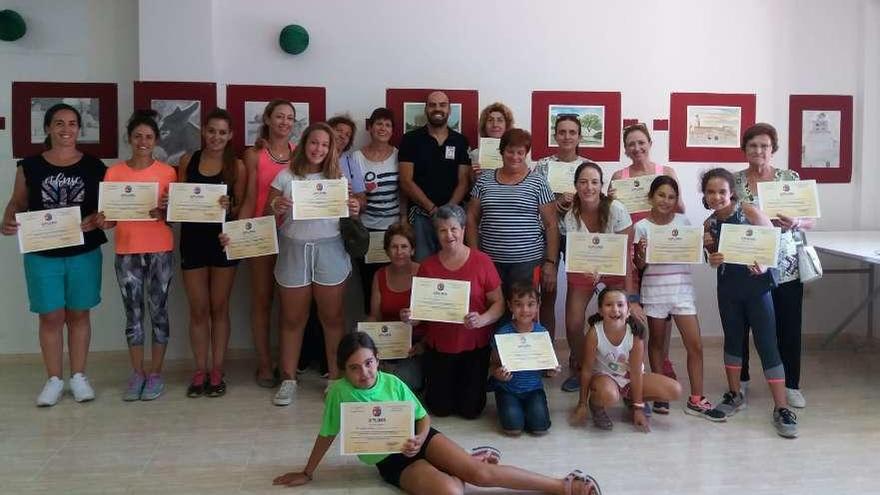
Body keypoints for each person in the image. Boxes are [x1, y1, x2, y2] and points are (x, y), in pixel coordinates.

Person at [272, 332, 601, 495]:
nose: (365, 373)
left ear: (377, 358)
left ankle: (562, 485)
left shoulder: (392, 381)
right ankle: (460, 463)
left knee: (480, 476)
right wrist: (308, 471)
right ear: (342, 371)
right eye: (354, 368)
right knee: (452, 492)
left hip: (423, 440)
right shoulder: (340, 393)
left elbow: (423, 417)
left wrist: (418, 437)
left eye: (369, 363)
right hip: (392, 462)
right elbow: (328, 433)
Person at [2, 103, 107, 406]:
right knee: (50, 316)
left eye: (72, 123)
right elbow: (17, 202)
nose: (66, 129)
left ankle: (78, 376)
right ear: (47, 128)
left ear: (79, 129)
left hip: (83, 251)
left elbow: (106, 210)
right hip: (42, 252)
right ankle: (53, 379)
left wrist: (99, 219)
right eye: (59, 123)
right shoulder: (30, 166)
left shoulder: (95, 166)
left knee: (78, 313)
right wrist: (8, 218)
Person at [266, 122, 360, 406]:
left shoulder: (338, 179)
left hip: (330, 249)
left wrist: (354, 209)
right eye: (313, 142)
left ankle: (334, 379)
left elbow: (349, 214)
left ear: (331, 149)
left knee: (332, 318)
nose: (318, 149)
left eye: (324, 144)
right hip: (294, 250)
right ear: (304, 144)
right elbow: (267, 212)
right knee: (292, 319)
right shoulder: (286, 176)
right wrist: (276, 207)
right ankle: (288, 379)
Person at [701, 167, 799, 438]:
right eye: (711, 192)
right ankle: (734, 395)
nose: (717, 196)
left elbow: (773, 243)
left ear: (731, 191)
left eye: (722, 191)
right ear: (705, 195)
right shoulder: (708, 224)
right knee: (733, 341)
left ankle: (781, 407)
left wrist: (765, 265)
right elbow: (711, 259)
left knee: (767, 344)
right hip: (729, 290)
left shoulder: (749, 211)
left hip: (757, 289)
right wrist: (711, 256)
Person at [97, 110, 177, 401]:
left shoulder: (168, 173)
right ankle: (137, 373)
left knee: (158, 312)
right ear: (129, 139)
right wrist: (103, 221)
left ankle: (155, 373)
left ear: (155, 140)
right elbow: (111, 219)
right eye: (137, 136)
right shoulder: (114, 173)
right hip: (127, 251)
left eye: (148, 137)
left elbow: (175, 217)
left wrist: (165, 211)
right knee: (133, 314)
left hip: (160, 250)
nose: (143, 141)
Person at [733, 123, 814, 409]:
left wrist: (796, 222)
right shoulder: (734, 181)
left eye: (764, 146)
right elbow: (725, 216)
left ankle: (791, 384)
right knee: (741, 326)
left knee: (788, 325)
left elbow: (811, 220)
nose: (758, 151)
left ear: (773, 149)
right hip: (748, 263)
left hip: (786, 264)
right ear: (745, 149)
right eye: (753, 145)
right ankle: (740, 384)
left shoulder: (789, 177)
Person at [632, 176, 723, 420]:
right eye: (661, 195)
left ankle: (696, 398)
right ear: (651, 197)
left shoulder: (685, 222)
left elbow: (700, 252)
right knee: (657, 345)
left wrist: (705, 243)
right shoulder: (641, 226)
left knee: (695, 345)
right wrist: (640, 254)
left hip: (682, 291)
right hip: (654, 292)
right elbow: (639, 266)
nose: (666, 200)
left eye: (671, 197)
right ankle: (660, 393)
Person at [402, 205, 504, 419]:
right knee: (440, 409)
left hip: (474, 346)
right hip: (440, 347)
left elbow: (499, 304)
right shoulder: (427, 267)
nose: (449, 235)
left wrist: (482, 319)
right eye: (442, 230)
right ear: (436, 234)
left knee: (471, 411)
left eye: (454, 229)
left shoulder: (482, 261)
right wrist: (411, 318)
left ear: (463, 230)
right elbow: (420, 314)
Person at [609, 123, 685, 402]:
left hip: (662, 252)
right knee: (631, 310)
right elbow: (611, 216)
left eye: (641, 142)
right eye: (631, 144)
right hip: (630, 250)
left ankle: (661, 364)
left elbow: (681, 209)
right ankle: (628, 368)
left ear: (650, 143)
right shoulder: (619, 176)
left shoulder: (666, 173)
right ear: (625, 148)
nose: (637, 148)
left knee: (660, 313)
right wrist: (612, 200)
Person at [178, 109, 247, 397]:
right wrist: (172, 201)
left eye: (222, 132)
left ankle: (217, 369)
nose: (216, 137)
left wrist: (229, 206)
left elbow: (240, 208)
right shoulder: (187, 160)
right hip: (192, 240)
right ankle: (199, 369)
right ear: (202, 131)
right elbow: (179, 201)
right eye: (211, 131)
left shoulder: (238, 167)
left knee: (219, 308)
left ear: (230, 135)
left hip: (222, 243)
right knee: (198, 309)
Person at [561, 162, 643, 393]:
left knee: (629, 317)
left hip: (617, 269)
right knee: (574, 322)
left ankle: (625, 372)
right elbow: (576, 256)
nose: (589, 187)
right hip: (585, 270)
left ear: (602, 185)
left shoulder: (616, 208)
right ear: (576, 185)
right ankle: (582, 366)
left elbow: (627, 255)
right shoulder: (570, 216)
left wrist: (632, 298)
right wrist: (591, 273)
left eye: (594, 182)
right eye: (583, 182)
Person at [240, 99, 296, 388]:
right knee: (262, 302)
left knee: (290, 305)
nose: (284, 122)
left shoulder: (300, 154)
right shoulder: (254, 154)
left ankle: (287, 364)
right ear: (268, 119)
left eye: (289, 118)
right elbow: (250, 198)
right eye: (279, 117)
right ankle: (264, 364)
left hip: (292, 237)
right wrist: (240, 233)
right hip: (261, 234)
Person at [571, 288, 681, 432]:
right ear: (600, 310)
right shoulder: (594, 333)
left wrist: (638, 408)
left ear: (628, 310)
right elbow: (586, 370)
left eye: (620, 305)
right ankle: (596, 404)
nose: (615, 309)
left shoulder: (635, 334)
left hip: (629, 378)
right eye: (609, 305)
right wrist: (582, 404)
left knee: (675, 390)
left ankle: (632, 399)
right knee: (610, 395)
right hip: (605, 378)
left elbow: (635, 373)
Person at [467, 128, 558, 296]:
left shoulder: (538, 182)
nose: (515, 157)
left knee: (523, 313)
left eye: (520, 152)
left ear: (526, 154)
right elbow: (471, 218)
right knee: (494, 310)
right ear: (502, 151)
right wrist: (474, 255)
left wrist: (550, 262)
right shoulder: (484, 181)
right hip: (490, 261)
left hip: (527, 262)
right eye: (510, 151)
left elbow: (551, 224)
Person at [399, 91, 471, 261]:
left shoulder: (460, 141)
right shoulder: (410, 140)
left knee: (454, 263)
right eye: (432, 105)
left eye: (442, 105)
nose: (437, 109)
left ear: (449, 110)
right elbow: (406, 181)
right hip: (421, 217)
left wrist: (447, 212)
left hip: (453, 218)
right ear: (426, 109)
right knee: (423, 266)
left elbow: (464, 181)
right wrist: (432, 209)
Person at [534, 114, 588, 342]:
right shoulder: (543, 166)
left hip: (578, 236)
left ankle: (576, 353)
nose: (567, 137)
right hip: (550, 233)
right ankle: (547, 353)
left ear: (579, 136)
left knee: (578, 295)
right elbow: (534, 205)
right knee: (548, 292)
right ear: (555, 136)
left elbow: (594, 206)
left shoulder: (587, 167)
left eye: (572, 132)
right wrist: (558, 204)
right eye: (562, 132)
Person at [489, 281, 559, 436]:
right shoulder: (502, 333)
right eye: (518, 304)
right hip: (508, 389)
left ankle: (527, 411)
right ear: (510, 306)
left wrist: (552, 370)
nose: (525, 310)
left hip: (534, 390)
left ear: (538, 305)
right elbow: (493, 365)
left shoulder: (542, 333)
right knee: (513, 429)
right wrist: (498, 374)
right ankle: (512, 408)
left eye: (530, 304)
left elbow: (548, 365)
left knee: (540, 428)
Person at [352, 107, 405, 306]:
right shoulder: (355, 158)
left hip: (393, 230)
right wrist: (362, 194)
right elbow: (357, 198)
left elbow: (403, 192)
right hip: (366, 230)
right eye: (379, 123)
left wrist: (402, 221)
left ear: (393, 131)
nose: (383, 128)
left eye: (388, 125)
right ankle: (372, 328)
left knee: (395, 283)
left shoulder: (399, 155)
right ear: (370, 127)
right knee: (369, 285)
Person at [367, 223, 423, 392]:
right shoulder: (379, 275)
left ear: (412, 250)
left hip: (416, 346)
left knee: (401, 383)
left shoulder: (423, 272)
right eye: (394, 247)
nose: (399, 252)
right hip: (386, 344)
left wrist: (423, 346)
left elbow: (433, 318)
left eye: (404, 246)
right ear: (387, 251)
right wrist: (366, 333)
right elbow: (374, 316)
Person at [469, 102, 515, 179]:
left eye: (500, 120)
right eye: (490, 120)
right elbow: (473, 187)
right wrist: (473, 176)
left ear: (506, 125)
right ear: (484, 125)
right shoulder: (475, 155)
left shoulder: (516, 153)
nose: (495, 125)